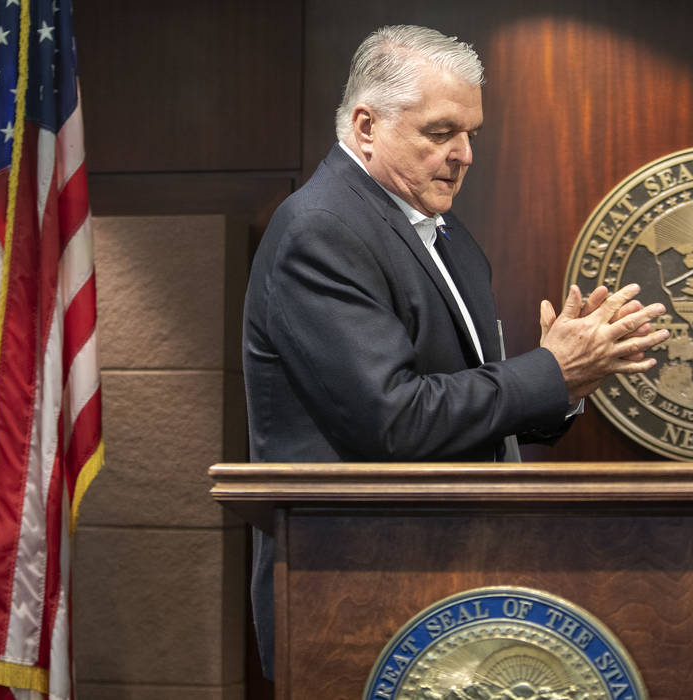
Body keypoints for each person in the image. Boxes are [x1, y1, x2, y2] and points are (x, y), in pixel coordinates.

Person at [241, 24, 668, 678]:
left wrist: (565, 382)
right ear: (365, 126)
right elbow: (396, 422)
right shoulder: (321, 230)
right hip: (351, 592)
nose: (464, 155)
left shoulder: (446, 235)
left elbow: (469, 407)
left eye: (470, 134)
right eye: (440, 132)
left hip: (452, 583)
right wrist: (547, 372)